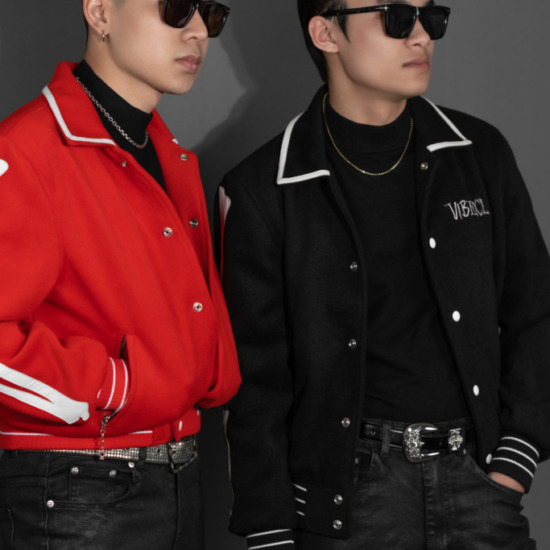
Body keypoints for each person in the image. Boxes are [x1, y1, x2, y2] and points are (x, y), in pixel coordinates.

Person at [217, 0, 550, 548]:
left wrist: (516, 455)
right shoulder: (263, 190)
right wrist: (269, 530)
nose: (421, 37)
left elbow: (534, 311)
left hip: (479, 483)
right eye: (396, 18)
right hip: (349, 500)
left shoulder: (479, 154)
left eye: (431, 17)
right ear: (326, 33)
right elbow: (255, 385)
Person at [0, 1, 240, 548]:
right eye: (176, 9)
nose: (199, 31)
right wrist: (115, 387)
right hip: (77, 487)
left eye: (210, 14)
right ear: (100, 11)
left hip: (178, 471)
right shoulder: (26, 150)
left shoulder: (166, 154)